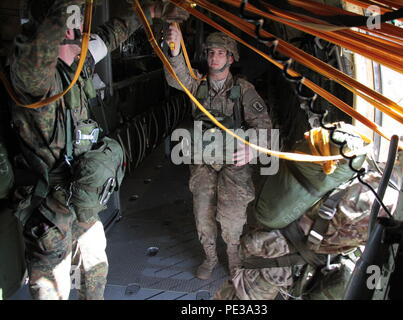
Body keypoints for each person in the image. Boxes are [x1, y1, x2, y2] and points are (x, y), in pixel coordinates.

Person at [7, 0, 188, 300]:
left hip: (82, 199)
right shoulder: (32, 75)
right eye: (76, 21)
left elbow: (112, 34)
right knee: (54, 289)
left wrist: (150, 12)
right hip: (50, 213)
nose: (83, 28)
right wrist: (62, 10)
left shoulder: (79, 64)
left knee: (95, 270)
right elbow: (39, 51)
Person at [164, 26, 273, 280]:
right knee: (203, 214)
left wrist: (252, 149)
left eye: (221, 53)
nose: (215, 58)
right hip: (203, 160)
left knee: (232, 217)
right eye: (211, 53)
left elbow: (264, 126)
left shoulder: (243, 90)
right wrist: (176, 48)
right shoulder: (197, 84)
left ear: (231, 58)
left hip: (234, 162)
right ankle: (210, 257)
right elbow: (175, 77)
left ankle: (234, 257)